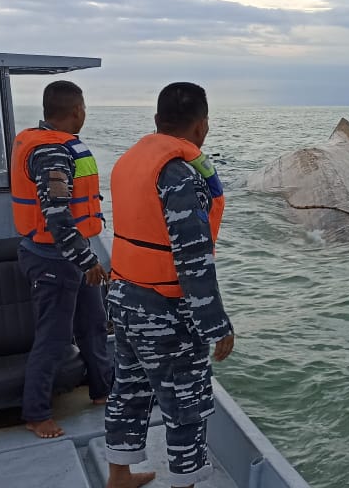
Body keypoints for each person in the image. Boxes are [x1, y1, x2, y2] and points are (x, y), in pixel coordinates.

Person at [103, 82, 234, 488]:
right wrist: (217, 326)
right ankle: (186, 483)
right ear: (201, 126)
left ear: (157, 122)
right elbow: (193, 259)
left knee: (128, 388)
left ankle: (119, 475)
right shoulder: (178, 175)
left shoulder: (130, 161)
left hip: (123, 298)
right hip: (162, 311)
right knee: (186, 405)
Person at [9, 80, 113, 439]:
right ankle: (36, 413)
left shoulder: (52, 145)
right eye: (84, 108)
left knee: (94, 324)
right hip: (53, 259)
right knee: (53, 338)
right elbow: (56, 218)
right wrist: (88, 261)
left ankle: (103, 391)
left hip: (71, 255)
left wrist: (83, 259)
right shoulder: (52, 153)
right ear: (76, 111)